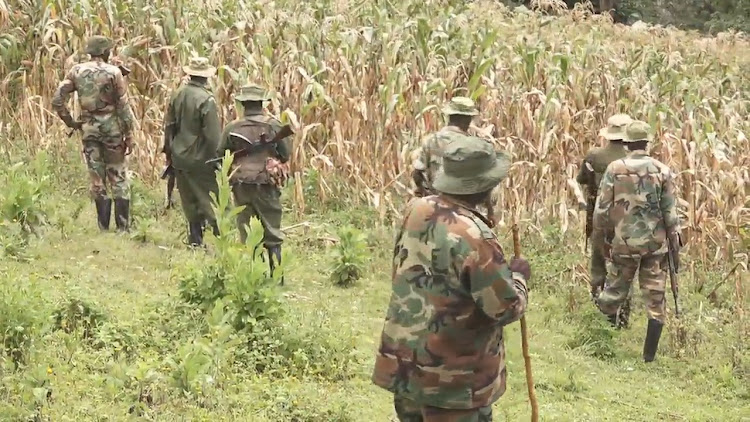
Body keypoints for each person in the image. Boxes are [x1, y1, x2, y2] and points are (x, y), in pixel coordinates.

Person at [372, 135, 531, 421]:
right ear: (485, 186)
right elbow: (504, 308)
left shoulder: (416, 209)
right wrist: (519, 278)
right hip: (454, 385)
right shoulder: (475, 237)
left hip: (407, 368)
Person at [593, 120, 683, 363]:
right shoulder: (662, 171)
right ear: (647, 143)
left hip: (624, 242)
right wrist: (674, 243)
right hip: (655, 245)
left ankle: (604, 344)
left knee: (613, 292)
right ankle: (648, 357)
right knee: (655, 299)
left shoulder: (615, 169)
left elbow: (601, 210)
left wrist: (601, 238)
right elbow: (670, 214)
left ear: (627, 143)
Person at [52, 35, 136, 232]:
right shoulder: (114, 72)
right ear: (106, 52)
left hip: (89, 128)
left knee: (96, 177)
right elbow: (123, 107)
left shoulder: (77, 71)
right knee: (117, 174)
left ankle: (103, 227)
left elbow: (57, 99)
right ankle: (123, 227)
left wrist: (71, 121)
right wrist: (129, 134)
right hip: (112, 130)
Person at [216, 84, 291, 282]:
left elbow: (221, 154)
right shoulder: (273, 125)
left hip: (241, 184)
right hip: (266, 184)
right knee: (272, 232)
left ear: (243, 104)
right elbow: (285, 154)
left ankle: (253, 279)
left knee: (247, 231)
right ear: (262, 104)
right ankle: (277, 279)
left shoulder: (232, 128)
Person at [577, 113, 632, 324]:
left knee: (599, 263)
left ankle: (598, 311)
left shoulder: (594, 156)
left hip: (599, 216)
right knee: (623, 266)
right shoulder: (633, 161)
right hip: (626, 220)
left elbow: (582, 179)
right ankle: (622, 315)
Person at [162, 57, 222, 247]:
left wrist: (169, 152)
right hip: (201, 158)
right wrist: (218, 160)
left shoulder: (178, 94)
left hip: (179, 155)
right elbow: (212, 136)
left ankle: (195, 241)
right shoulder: (207, 100)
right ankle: (224, 243)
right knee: (212, 200)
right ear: (206, 77)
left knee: (189, 200)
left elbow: (169, 126)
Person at [411, 96, 498, 226]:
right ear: (468, 119)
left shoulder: (430, 141)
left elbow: (417, 174)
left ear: (449, 116)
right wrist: (490, 212)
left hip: (434, 210)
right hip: (465, 213)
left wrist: (423, 196)